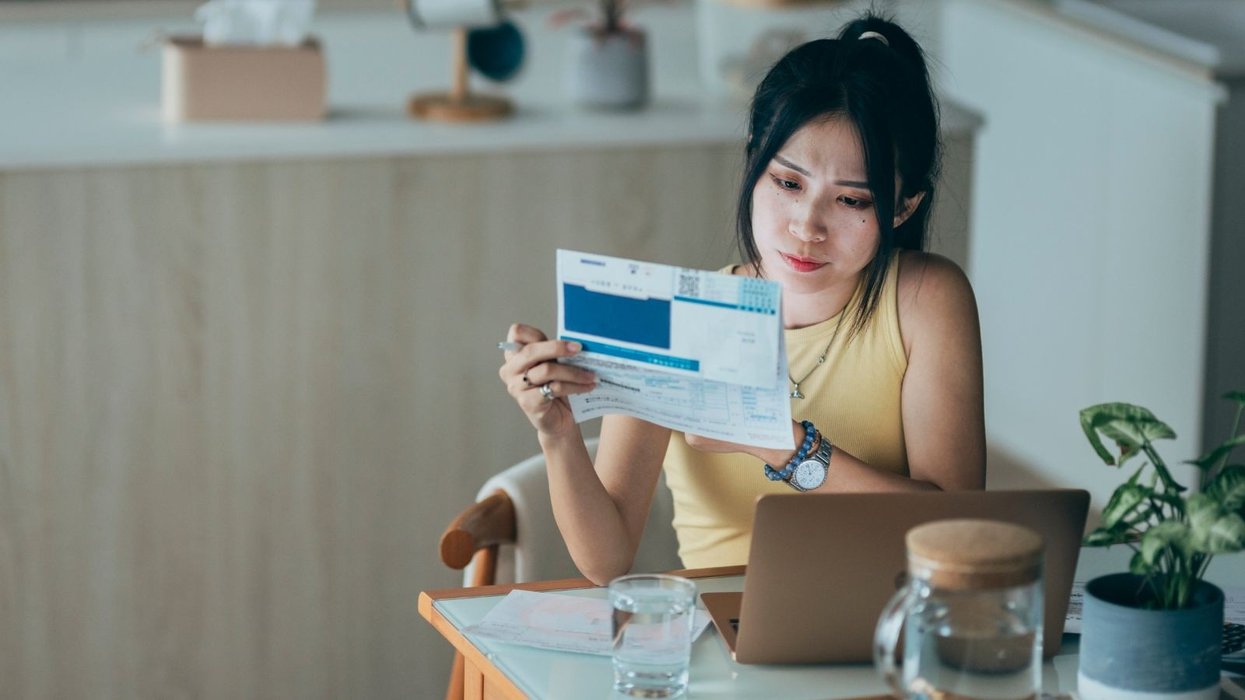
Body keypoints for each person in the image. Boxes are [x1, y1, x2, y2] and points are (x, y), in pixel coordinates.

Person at [498, 14, 985, 585]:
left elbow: (957, 533)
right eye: (788, 183)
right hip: (724, 622)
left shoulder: (927, 300)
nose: (807, 226)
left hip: (887, 619)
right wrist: (557, 434)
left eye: (852, 200)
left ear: (903, 207)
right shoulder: (674, 317)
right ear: (754, 164)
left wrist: (782, 447)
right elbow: (606, 562)